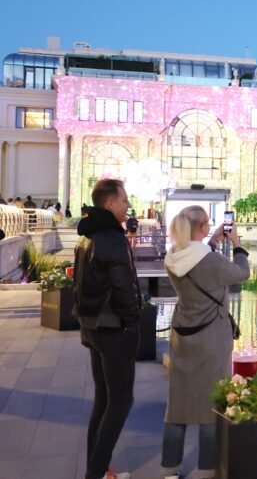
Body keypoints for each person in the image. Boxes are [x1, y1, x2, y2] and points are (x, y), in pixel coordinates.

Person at [161, 206, 249, 479]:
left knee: (177, 405)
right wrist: (237, 245)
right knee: (210, 405)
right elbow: (240, 274)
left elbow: (196, 258)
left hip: (182, 336)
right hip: (210, 338)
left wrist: (212, 242)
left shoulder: (174, 256)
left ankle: (170, 469)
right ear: (200, 227)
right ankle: (206, 469)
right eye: (208, 224)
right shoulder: (210, 262)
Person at [73, 178, 142, 479]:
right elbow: (123, 287)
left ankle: (98, 469)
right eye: (124, 199)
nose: (128, 204)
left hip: (93, 326)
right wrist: (133, 324)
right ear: (110, 203)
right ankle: (95, 472)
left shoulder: (86, 236)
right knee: (121, 401)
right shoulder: (112, 238)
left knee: (104, 398)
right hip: (113, 328)